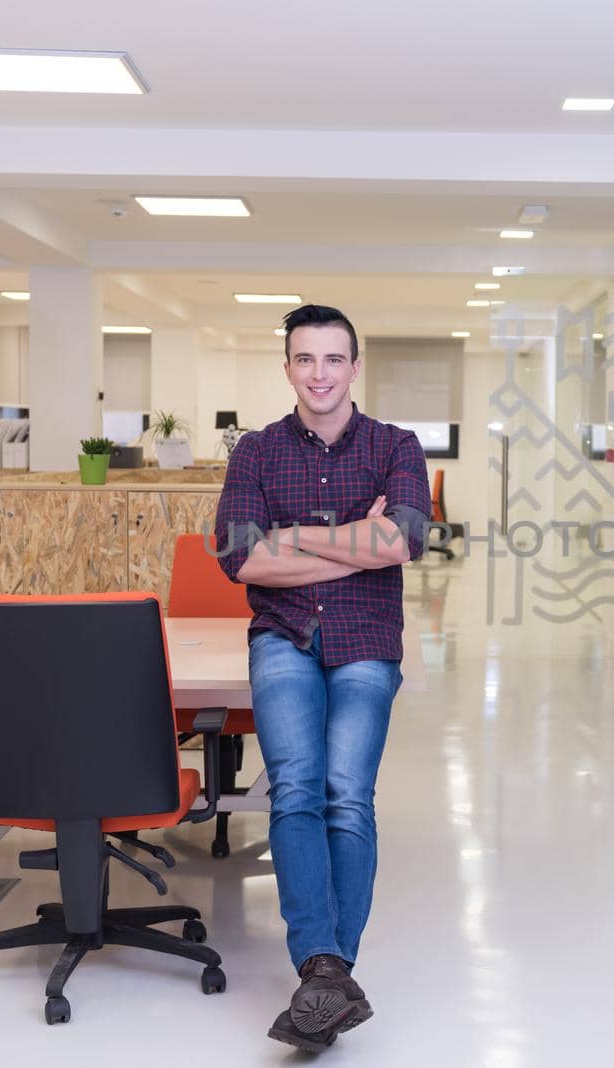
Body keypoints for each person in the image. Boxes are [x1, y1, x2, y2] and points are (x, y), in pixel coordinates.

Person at [213, 303, 432, 1052]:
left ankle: (323, 977)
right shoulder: (256, 452)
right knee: (297, 787)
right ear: (288, 369)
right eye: (305, 360)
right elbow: (241, 557)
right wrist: (352, 541)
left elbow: (402, 538)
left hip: (367, 638)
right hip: (281, 637)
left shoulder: (395, 445)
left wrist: (294, 536)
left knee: (346, 792)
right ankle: (326, 971)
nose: (320, 374)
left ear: (354, 366)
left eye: (333, 359)